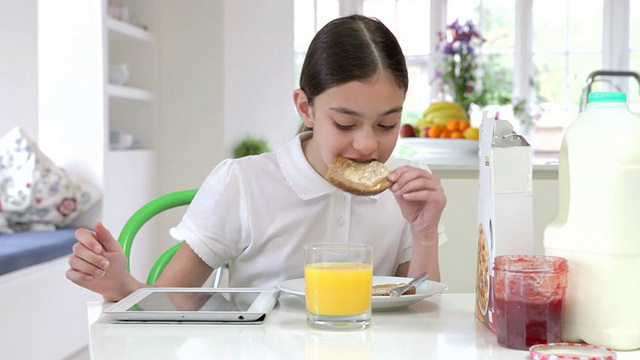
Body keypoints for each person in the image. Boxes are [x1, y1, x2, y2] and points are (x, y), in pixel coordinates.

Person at [66, 14, 447, 302]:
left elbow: (419, 316)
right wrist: (120, 285)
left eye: (387, 124)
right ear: (306, 108)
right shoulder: (244, 184)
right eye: (345, 124)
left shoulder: (407, 188)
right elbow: (175, 303)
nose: (367, 145)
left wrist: (424, 233)